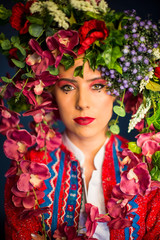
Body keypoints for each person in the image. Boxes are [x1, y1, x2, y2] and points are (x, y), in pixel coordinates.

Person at [1, 0, 160, 240]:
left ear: (119, 90)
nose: (82, 102)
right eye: (67, 87)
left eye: (97, 86)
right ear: (49, 92)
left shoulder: (148, 173)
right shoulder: (25, 171)